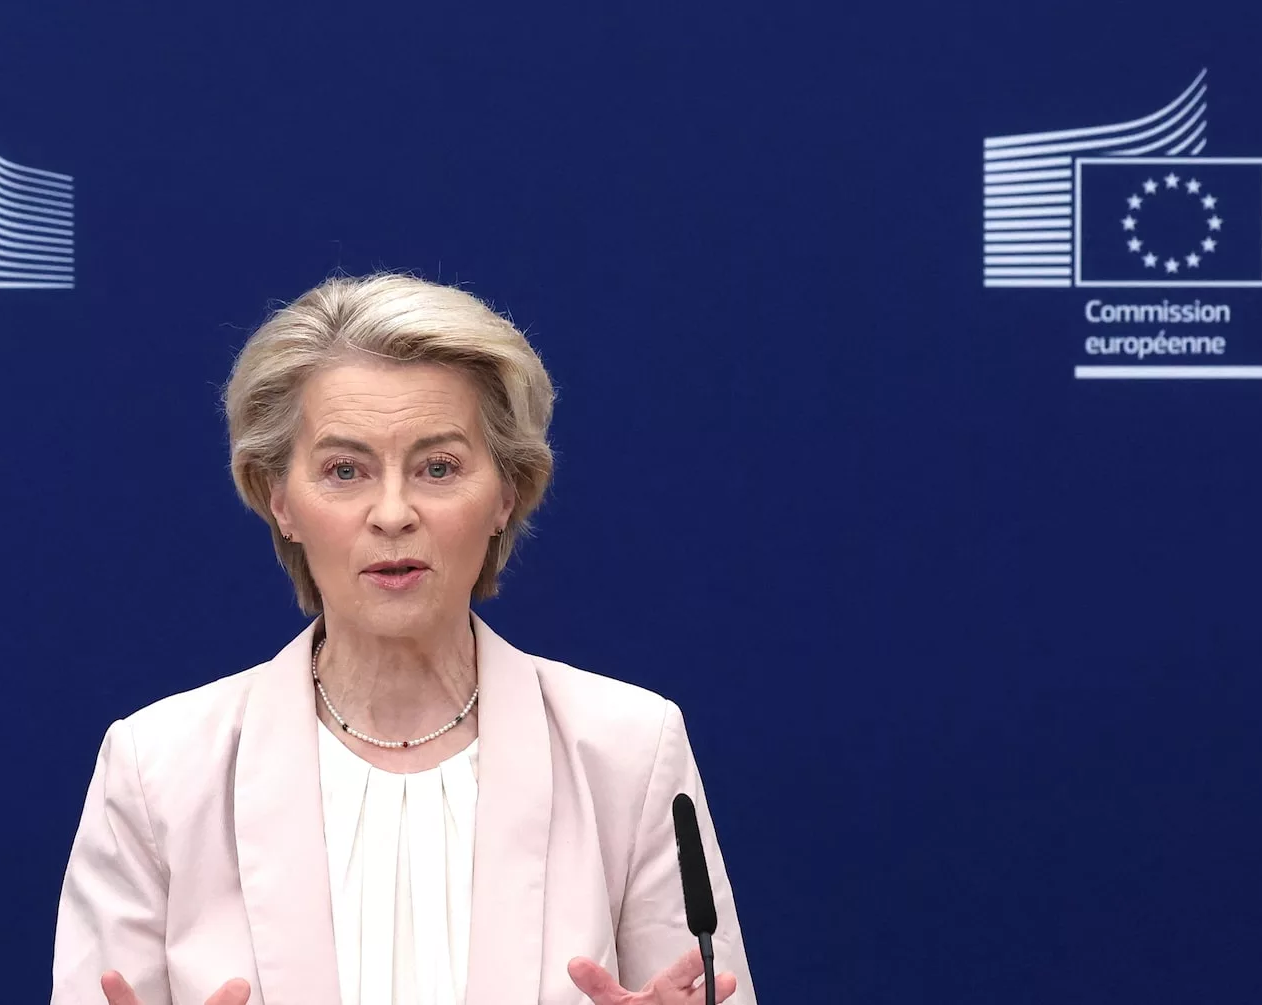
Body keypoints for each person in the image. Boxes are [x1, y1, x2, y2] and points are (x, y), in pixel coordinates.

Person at [51, 273, 755, 1005]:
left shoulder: (629, 750)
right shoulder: (158, 770)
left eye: (438, 467)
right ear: (279, 499)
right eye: (344, 470)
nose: (392, 512)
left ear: (507, 493)